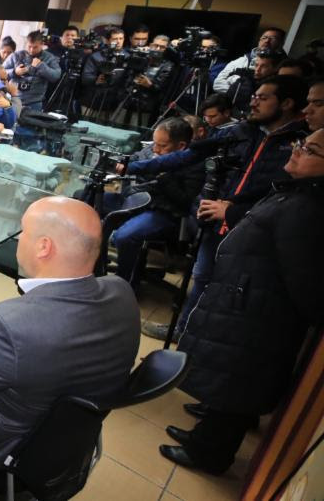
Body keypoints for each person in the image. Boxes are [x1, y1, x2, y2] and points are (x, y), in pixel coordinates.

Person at [159, 128, 324, 475]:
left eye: (309, 150)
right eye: (300, 144)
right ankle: (203, 435)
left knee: (238, 383)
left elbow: (301, 277)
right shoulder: (294, 192)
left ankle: (209, 455)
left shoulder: (307, 208)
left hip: (259, 311)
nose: (296, 151)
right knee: (227, 377)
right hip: (245, 299)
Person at [0, 197, 140, 458]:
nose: (17, 238)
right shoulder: (122, 290)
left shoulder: (4, 326)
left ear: (43, 247)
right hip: (68, 439)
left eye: (23, 231)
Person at [133, 75, 310, 339]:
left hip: (254, 226)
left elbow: (281, 190)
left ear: (286, 103)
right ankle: (184, 331)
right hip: (215, 219)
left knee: (234, 286)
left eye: (262, 98)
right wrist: (133, 166)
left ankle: (209, 338)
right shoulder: (242, 131)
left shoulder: (301, 144)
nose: (253, 103)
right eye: (254, 97)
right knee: (202, 275)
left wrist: (234, 208)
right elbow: (188, 156)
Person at [109, 118, 204, 290]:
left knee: (125, 236)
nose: (155, 149)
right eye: (155, 143)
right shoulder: (154, 147)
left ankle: (124, 286)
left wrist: (163, 176)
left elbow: (185, 200)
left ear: (181, 146)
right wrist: (121, 162)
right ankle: (95, 268)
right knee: (87, 199)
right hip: (136, 200)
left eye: (162, 146)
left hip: (165, 212)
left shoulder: (195, 164)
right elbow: (135, 158)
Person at [213, 27, 287, 95]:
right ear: (259, 40)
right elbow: (217, 84)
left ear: (281, 43)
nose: (267, 41)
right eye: (264, 38)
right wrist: (240, 92)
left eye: (273, 38)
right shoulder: (242, 61)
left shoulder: (285, 66)